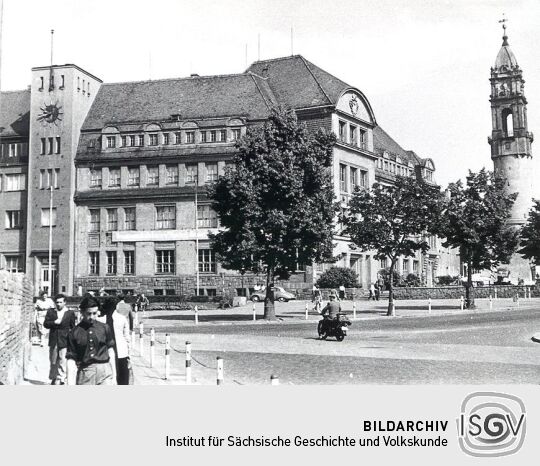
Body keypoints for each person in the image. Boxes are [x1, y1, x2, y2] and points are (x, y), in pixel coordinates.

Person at [66, 295, 116, 385]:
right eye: (88, 314)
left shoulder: (104, 328)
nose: (92, 317)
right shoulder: (74, 333)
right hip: (85, 373)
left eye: (94, 313)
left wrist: (114, 376)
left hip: (105, 371)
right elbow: (71, 359)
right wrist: (70, 383)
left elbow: (111, 351)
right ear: (82, 312)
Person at [44, 294, 76, 385]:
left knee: (63, 359)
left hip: (64, 339)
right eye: (57, 302)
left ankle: (61, 378)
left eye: (61, 302)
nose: (58, 304)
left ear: (65, 302)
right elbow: (45, 324)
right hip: (54, 339)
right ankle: (53, 377)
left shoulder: (69, 313)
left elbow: (73, 327)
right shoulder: (51, 312)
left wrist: (71, 340)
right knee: (53, 360)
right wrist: (54, 322)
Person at [100, 297, 132, 385]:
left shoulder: (100, 320)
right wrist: (129, 354)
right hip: (121, 352)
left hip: (105, 353)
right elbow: (127, 338)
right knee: (123, 379)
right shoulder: (122, 318)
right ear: (116, 306)